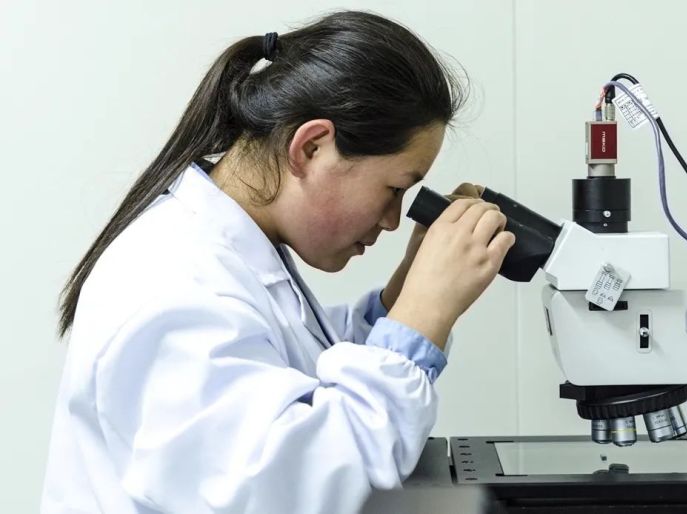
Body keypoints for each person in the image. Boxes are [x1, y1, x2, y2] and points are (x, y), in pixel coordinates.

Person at [42, 10, 515, 514]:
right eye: (394, 188)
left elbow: (295, 382)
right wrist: (421, 321)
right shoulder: (172, 282)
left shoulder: (227, 253)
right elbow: (298, 491)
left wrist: (403, 298)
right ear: (310, 148)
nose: (393, 220)